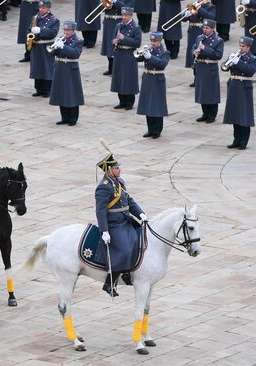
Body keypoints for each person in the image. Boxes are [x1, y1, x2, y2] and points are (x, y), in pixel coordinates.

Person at [95, 145, 146, 297]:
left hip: (125, 220)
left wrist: (140, 213)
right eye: (116, 168)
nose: (119, 170)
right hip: (113, 224)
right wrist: (104, 230)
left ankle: (126, 272)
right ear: (108, 170)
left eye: (118, 167)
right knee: (124, 249)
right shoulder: (103, 188)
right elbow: (100, 210)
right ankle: (110, 282)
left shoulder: (119, 182)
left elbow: (129, 200)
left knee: (138, 241)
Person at [223, 36, 256, 150]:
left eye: (243, 46)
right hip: (234, 86)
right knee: (235, 114)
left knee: (244, 114)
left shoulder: (253, 58)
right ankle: (236, 139)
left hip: (244, 88)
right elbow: (224, 67)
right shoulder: (236, 55)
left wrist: (238, 62)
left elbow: (250, 71)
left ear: (248, 47)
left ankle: (243, 141)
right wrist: (229, 61)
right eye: (240, 45)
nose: (241, 48)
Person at [49, 20, 84, 126]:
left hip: (70, 69)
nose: (66, 32)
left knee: (71, 94)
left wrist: (63, 47)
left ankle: (73, 118)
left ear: (73, 30)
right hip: (60, 68)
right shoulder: (61, 39)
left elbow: (75, 54)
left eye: (68, 30)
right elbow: (53, 53)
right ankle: (64, 117)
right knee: (61, 93)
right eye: (65, 30)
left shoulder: (78, 40)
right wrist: (54, 47)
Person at [136, 31, 169, 138]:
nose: (152, 43)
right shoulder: (149, 50)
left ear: (159, 41)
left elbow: (162, 64)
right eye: (151, 41)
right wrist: (140, 52)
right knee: (148, 105)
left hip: (157, 79)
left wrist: (150, 57)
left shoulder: (164, 52)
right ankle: (150, 129)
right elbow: (137, 58)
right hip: (148, 78)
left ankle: (157, 130)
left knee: (157, 105)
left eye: (154, 41)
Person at [192, 19, 223, 123]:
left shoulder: (218, 40)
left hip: (210, 68)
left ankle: (212, 115)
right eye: (203, 28)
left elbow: (218, 55)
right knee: (202, 91)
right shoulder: (199, 38)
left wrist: (205, 48)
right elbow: (193, 48)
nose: (204, 30)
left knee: (211, 92)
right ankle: (205, 113)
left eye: (207, 28)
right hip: (200, 67)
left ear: (212, 29)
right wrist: (195, 52)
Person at [111, 7, 141, 110]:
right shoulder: (118, 25)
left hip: (128, 55)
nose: (123, 17)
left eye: (125, 15)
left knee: (128, 79)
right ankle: (122, 101)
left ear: (130, 16)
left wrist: (125, 38)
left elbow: (137, 43)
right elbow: (113, 37)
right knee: (119, 78)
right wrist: (114, 41)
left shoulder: (136, 27)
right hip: (119, 54)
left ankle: (129, 102)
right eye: (122, 15)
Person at [28, 0, 59, 98]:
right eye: (40, 8)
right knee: (37, 68)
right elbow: (29, 30)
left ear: (48, 9)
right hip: (36, 46)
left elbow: (53, 33)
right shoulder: (35, 18)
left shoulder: (54, 20)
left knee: (47, 68)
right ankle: (38, 89)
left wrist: (41, 30)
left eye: (43, 8)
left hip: (46, 46)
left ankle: (47, 90)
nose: (41, 9)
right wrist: (30, 37)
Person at [181, 0, 215, 86]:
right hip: (192, 32)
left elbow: (210, 17)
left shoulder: (210, 6)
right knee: (193, 55)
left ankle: (201, 79)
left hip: (201, 32)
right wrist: (186, 14)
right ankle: (196, 78)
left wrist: (199, 8)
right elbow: (184, 19)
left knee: (201, 55)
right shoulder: (193, 5)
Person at [100, 0, 132, 76]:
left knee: (117, 46)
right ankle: (111, 68)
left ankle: (117, 70)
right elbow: (100, 9)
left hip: (118, 22)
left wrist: (115, 1)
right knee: (109, 46)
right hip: (108, 22)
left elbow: (127, 8)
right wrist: (103, 4)